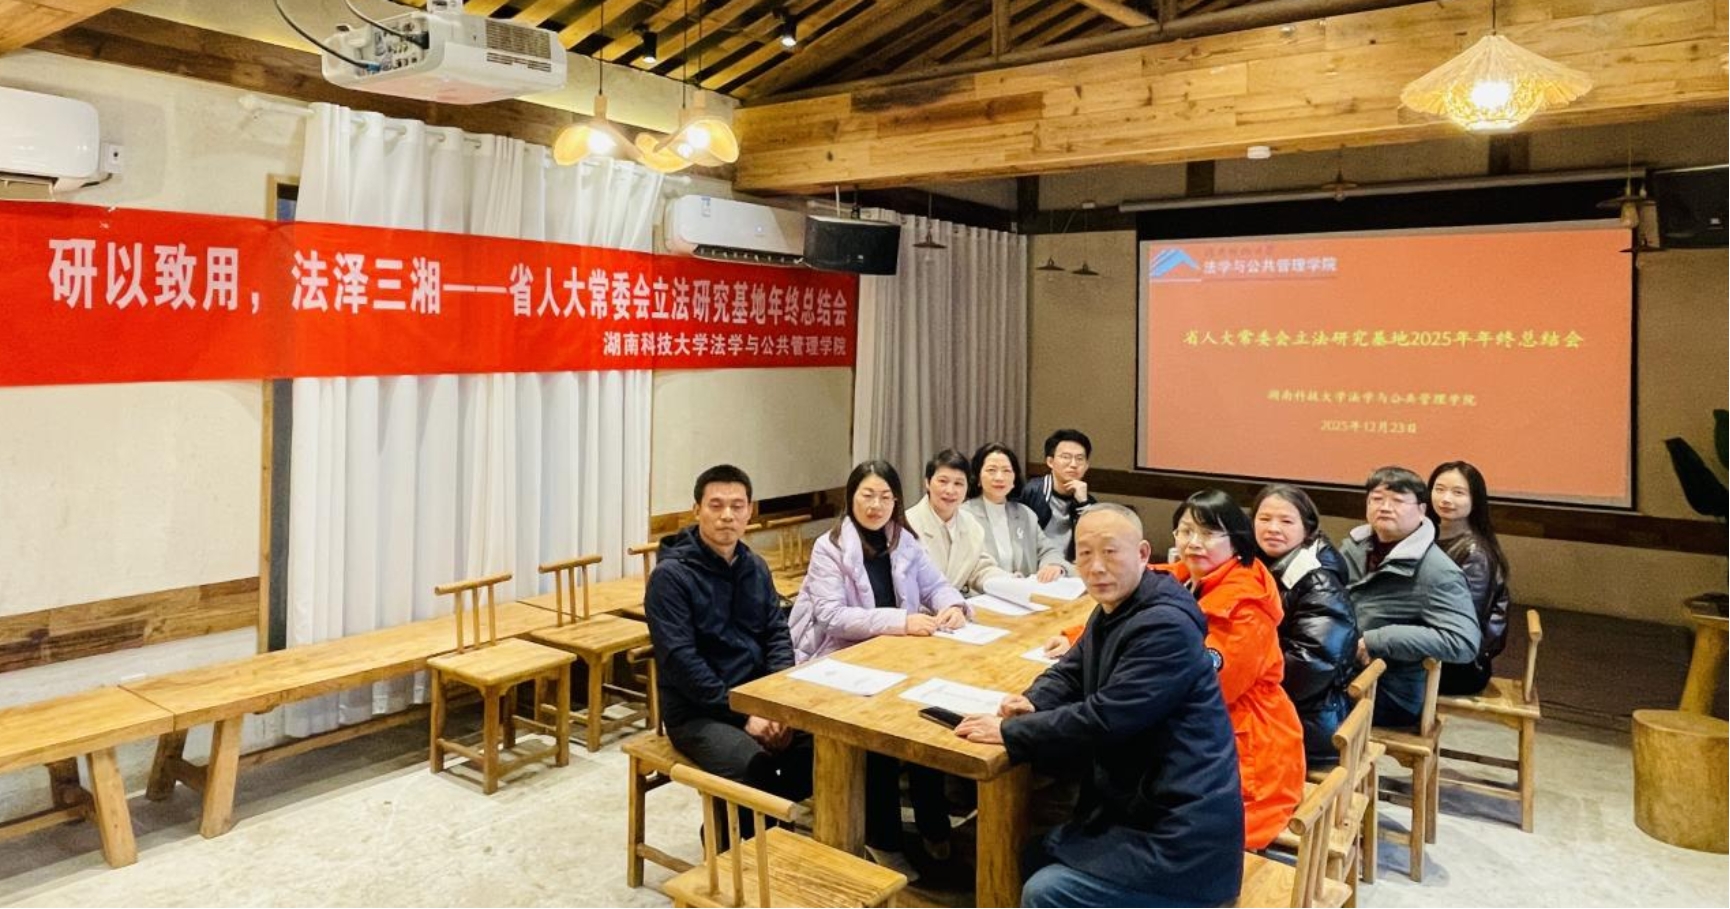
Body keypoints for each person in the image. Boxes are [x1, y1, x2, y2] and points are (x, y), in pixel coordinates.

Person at [954, 504, 1244, 907]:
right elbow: (1072, 669)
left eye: (1110, 552)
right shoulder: (1120, 604)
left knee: (1044, 890)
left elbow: (1106, 718)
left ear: (1142, 553)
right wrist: (1033, 701)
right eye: (1085, 553)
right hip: (1138, 804)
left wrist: (1010, 732)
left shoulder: (1165, 625)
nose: (1096, 567)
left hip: (1181, 831)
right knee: (1024, 852)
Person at [1043, 490, 1305, 849]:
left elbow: (1208, 686)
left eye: (1208, 533)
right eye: (1185, 531)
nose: (1194, 543)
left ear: (1236, 540)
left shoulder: (1246, 605)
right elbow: (1125, 611)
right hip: (1186, 728)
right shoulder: (1181, 577)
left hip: (1239, 738)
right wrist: (1078, 638)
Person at [789, 459, 969, 873]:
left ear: (897, 501)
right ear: (851, 498)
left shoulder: (904, 539)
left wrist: (953, 606)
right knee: (883, 740)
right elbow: (831, 617)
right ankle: (883, 839)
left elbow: (936, 585)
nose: (876, 505)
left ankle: (933, 825)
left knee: (928, 723)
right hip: (840, 661)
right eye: (867, 495)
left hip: (895, 658)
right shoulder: (831, 547)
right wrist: (901, 621)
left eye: (885, 497)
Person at [644, 464, 812, 829]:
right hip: (697, 712)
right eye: (716, 505)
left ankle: (776, 836)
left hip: (757, 698)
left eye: (737, 506)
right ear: (697, 510)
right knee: (755, 766)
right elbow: (682, 661)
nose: (727, 516)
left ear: (749, 511)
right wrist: (744, 715)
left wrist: (776, 704)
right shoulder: (670, 577)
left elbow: (776, 634)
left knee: (823, 746)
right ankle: (728, 848)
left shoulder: (755, 566)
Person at [1340, 466, 1482, 727]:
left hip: (1388, 690)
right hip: (1343, 671)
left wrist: (1379, 639)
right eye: (1377, 499)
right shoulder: (1354, 548)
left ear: (1421, 510)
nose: (1385, 507)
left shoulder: (1438, 571)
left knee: (1296, 709)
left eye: (1397, 501)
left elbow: (1463, 642)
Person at [1251, 483, 1361, 768]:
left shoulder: (1318, 582)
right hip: (1279, 706)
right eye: (1264, 519)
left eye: (1286, 521)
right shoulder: (1258, 567)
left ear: (1307, 529)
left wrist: (1250, 685)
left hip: (1307, 722)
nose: (1273, 528)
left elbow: (1313, 664)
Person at [1429, 461, 1513, 696]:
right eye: (1439, 489)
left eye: (1458, 493)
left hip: (1459, 663)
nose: (1446, 499)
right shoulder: (1425, 535)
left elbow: (1463, 622)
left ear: (1475, 500)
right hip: (1432, 650)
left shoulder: (1476, 554)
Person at [905, 448, 1010, 595]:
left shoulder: (971, 524)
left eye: (959, 483)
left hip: (954, 606)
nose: (950, 490)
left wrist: (1011, 584)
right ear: (927, 482)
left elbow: (980, 568)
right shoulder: (907, 524)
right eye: (943, 481)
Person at [962, 443, 1070, 583]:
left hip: (1023, 593)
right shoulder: (964, 515)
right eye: (991, 470)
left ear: (1014, 479)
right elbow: (972, 566)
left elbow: (1048, 550)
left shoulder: (1026, 514)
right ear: (978, 477)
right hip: (982, 593)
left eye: (1006, 471)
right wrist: (1008, 581)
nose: (999, 477)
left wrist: (1053, 565)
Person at [1017, 429, 1097, 559]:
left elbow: (1095, 540)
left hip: (1071, 567)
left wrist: (1084, 503)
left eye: (1079, 459)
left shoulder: (1088, 502)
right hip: (1035, 565)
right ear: (1050, 462)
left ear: (1087, 465)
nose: (1073, 464)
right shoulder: (1033, 492)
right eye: (1066, 457)